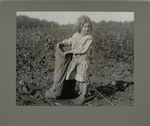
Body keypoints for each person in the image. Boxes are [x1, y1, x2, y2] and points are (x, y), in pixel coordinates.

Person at [57, 15, 93, 105]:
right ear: (80, 26)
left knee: (83, 79)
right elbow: (70, 41)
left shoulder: (89, 38)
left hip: (82, 61)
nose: (87, 29)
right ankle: (78, 94)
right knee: (74, 77)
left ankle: (83, 96)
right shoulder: (76, 35)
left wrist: (69, 52)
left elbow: (81, 49)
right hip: (74, 60)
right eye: (85, 26)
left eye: (88, 27)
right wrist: (62, 43)